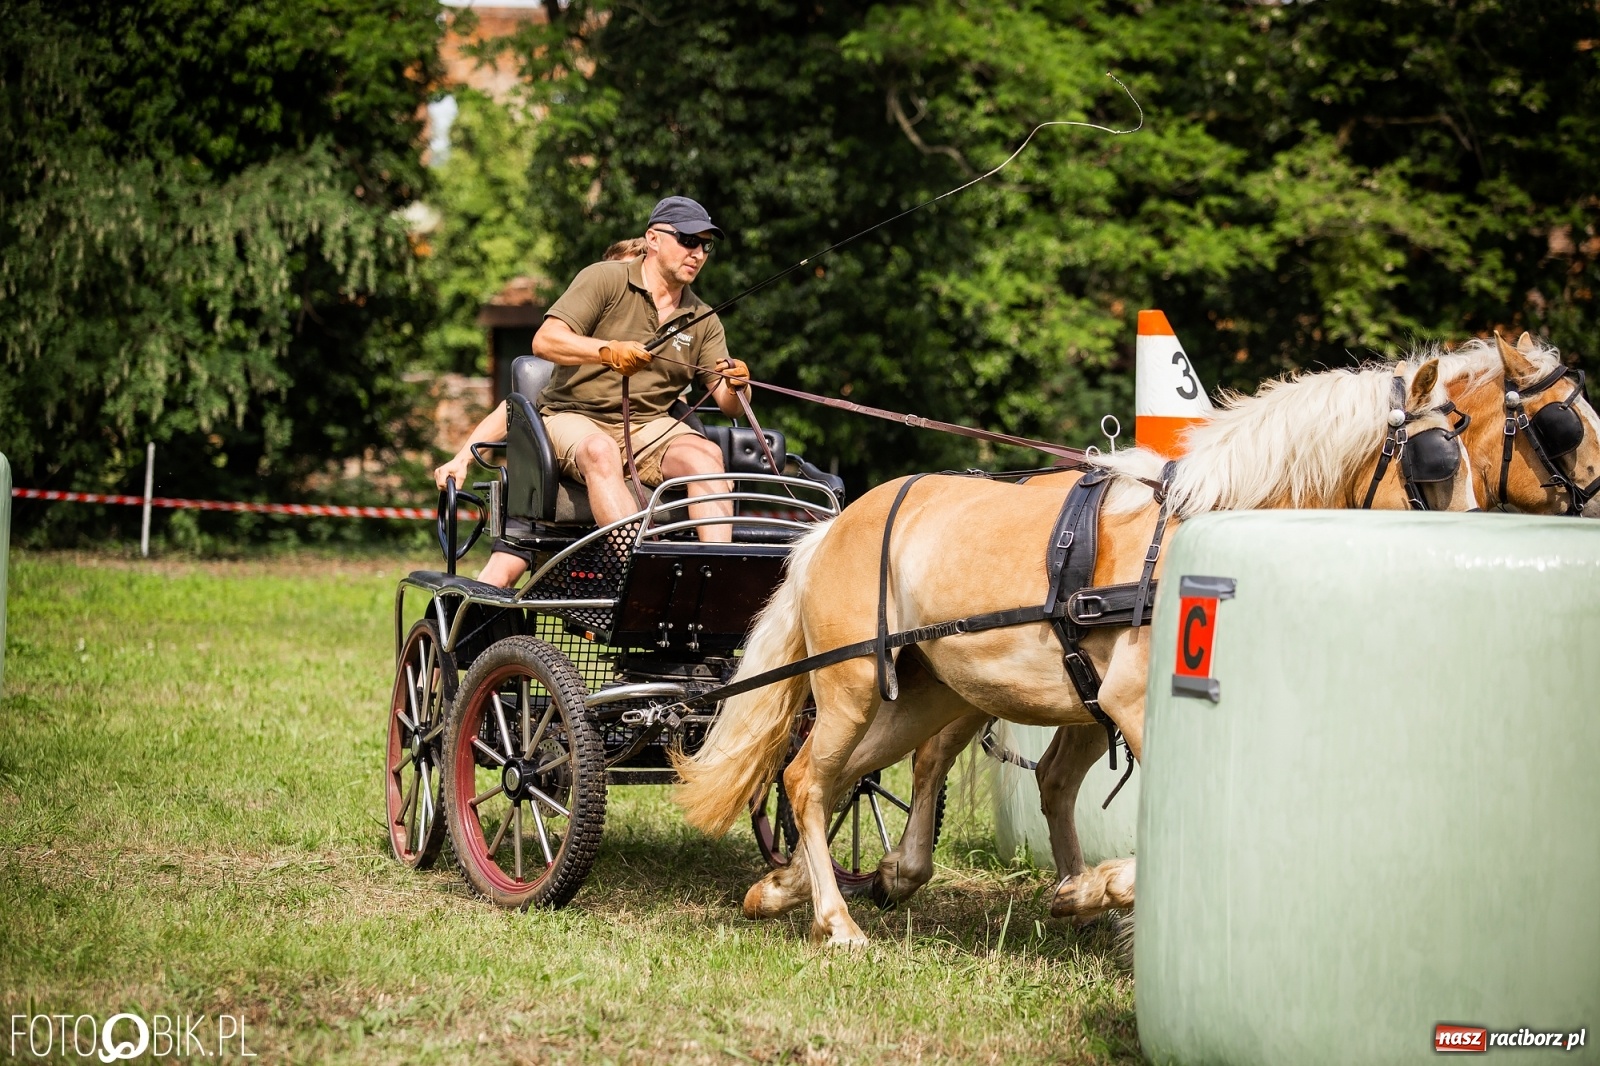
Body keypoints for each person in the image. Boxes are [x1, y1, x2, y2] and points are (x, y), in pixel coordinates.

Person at [435, 196, 751, 586]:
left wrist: (738, 384)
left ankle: (713, 579)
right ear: (653, 239)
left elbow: (729, 404)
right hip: (574, 416)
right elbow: (545, 342)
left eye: (706, 245)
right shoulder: (605, 278)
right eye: (688, 239)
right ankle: (641, 579)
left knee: (706, 453)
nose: (698, 253)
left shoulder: (703, 317)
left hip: (649, 425)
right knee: (599, 450)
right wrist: (608, 351)